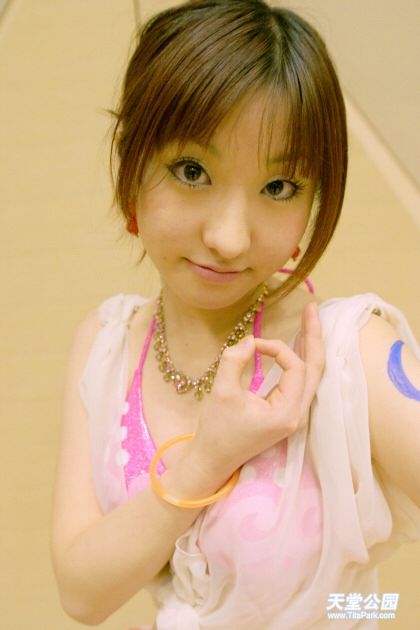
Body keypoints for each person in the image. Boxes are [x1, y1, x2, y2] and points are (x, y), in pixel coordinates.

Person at [51, 1, 420, 628]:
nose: (228, 238)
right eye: (192, 171)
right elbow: (82, 594)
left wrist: (362, 609)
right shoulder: (107, 344)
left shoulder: (349, 354)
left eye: (278, 188)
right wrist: (207, 459)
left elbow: (365, 603)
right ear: (128, 163)